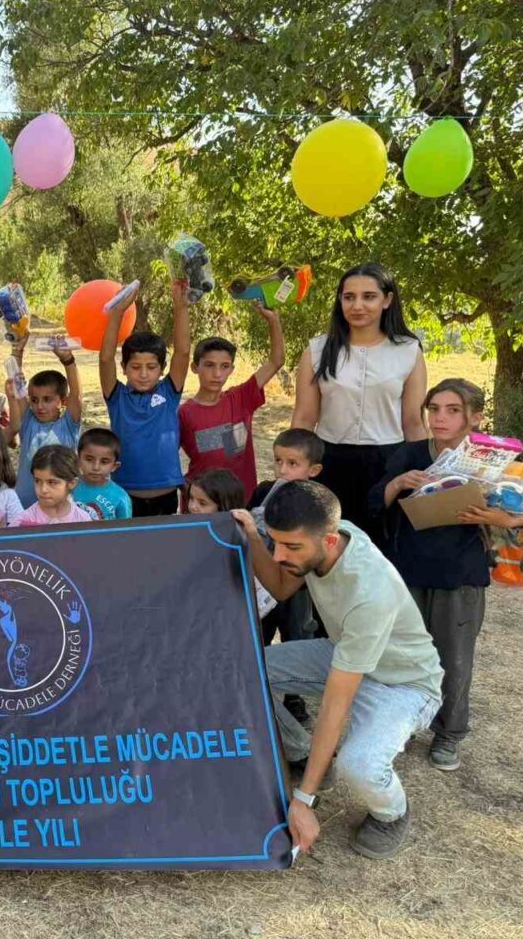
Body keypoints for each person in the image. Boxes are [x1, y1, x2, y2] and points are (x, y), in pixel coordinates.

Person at [232, 481, 443, 860]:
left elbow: (334, 705)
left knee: (359, 765)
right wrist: (251, 536)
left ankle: (392, 813)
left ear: (329, 542)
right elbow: (280, 587)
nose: (279, 555)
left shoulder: (369, 593)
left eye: (290, 547)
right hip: (347, 651)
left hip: (403, 684)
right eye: (275, 542)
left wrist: (302, 800)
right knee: (241, 669)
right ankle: (302, 755)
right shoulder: (320, 537)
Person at [369, 379, 523, 772]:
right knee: (397, 656)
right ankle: (398, 727)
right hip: (406, 570)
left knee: (453, 660)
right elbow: (373, 505)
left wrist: (505, 517)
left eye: (452, 410)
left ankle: (449, 733)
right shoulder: (409, 454)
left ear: (475, 417)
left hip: (461, 574)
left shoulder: (501, 464)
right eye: (434, 409)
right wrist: (397, 483)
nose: (439, 418)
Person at [290, 263, 427, 539]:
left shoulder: (408, 351)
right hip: (329, 461)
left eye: (369, 296)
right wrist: (292, 465)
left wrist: (426, 472)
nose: (357, 305)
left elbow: (413, 422)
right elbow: (304, 417)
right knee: (329, 544)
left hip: (389, 463)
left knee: (383, 547)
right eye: (349, 297)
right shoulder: (317, 349)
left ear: (387, 300)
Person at [249, 428, 327, 726]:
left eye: (293, 464)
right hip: (262, 579)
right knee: (261, 633)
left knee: (298, 631)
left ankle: (295, 699)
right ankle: (261, 692)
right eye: (278, 461)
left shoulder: (318, 501)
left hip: (299, 584)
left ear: (313, 470)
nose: (283, 470)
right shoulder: (263, 491)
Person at [100, 280, 191, 516]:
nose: (143, 374)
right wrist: (118, 312)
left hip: (166, 495)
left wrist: (181, 307)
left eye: (151, 367)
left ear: (161, 369)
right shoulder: (116, 396)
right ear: (124, 368)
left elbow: (182, 352)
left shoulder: (169, 392)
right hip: (124, 494)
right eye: (135, 366)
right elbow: (105, 359)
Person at [179, 307, 285, 503]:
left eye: (224, 366)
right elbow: (168, 462)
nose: (217, 374)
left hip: (241, 501)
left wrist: (273, 321)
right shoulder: (184, 413)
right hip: (202, 506)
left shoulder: (241, 398)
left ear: (231, 369)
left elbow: (276, 361)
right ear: (195, 367)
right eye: (209, 365)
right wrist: (189, 492)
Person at [6, 337, 83, 509]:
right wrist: (17, 351)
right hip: (24, 507)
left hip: (60, 509)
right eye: (34, 400)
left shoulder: (69, 425)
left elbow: (76, 395)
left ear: (62, 401)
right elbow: (17, 386)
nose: (39, 406)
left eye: (47, 399)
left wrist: (68, 361)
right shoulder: (28, 422)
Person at [18, 445, 93, 527]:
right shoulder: (23, 521)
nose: (43, 490)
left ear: (72, 483)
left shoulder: (83, 520)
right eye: (38, 481)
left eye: (52, 482)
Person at [72, 428, 132, 521]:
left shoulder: (120, 497)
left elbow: (125, 531)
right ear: (78, 460)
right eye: (89, 459)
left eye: (104, 462)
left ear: (114, 466)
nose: (96, 467)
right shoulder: (67, 488)